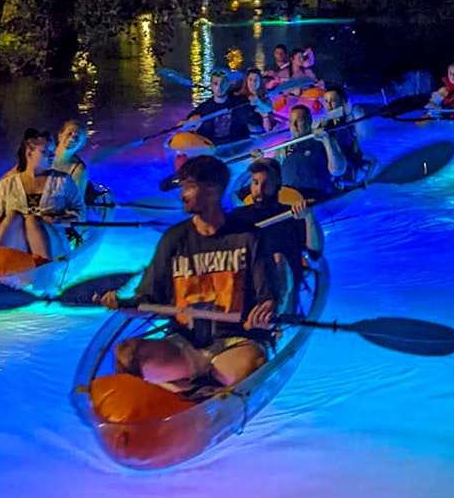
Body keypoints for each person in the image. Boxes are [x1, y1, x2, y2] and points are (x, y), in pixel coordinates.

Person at [98, 156, 280, 391]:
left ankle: (217, 409)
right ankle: (138, 408)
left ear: (214, 191)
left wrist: (266, 310)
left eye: (190, 187)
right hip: (183, 344)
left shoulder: (249, 237)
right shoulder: (173, 239)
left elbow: (267, 296)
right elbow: (150, 298)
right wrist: (125, 304)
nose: (182, 194)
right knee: (125, 353)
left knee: (253, 363)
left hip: (235, 343)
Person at [230, 158, 324, 312]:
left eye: (265, 183)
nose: (259, 190)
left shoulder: (292, 214)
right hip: (248, 276)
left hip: (280, 278)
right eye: (255, 183)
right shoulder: (238, 216)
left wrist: (309, 218)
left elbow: (314, 252)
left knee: (277, 259)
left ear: (278, 184)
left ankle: (273, 315)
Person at [0, 128, 84, 260]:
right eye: (45, 152)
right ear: (29, 154)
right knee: (14, 216)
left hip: (52, 245)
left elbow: (81, 214)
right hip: (17, 246)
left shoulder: (64, 181)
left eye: (52, 151)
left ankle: (43, 266)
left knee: (33, 220)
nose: (52, 156)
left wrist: (58, 219)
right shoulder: (7, 184)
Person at [262, 105, 345, 199]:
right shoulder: (285, 147)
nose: (294, 126)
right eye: (291, 121)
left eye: (299, 121)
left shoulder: (323, 140)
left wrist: (327, 141)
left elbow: (338, 170)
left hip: (316, 195)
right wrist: (259, 160)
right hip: (289, 198)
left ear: (309, 122)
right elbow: (272, 172)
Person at [185, 69, 255, 145]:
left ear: (228, 84)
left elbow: (261, 112)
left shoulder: (241, 102)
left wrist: (259, 103)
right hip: (213, 149)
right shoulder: (204, 108)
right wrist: (191, 122)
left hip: (238, 147)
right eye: (215, 83)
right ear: (211, 85)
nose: (219, 87)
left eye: (223, 83)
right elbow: (184, 125)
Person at [318, 85, 367, 181]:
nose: (329, 105)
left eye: (333, 101)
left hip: (345, 164)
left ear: (342, 102)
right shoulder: (326, 123)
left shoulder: (349, 123)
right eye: (326, 101)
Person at [54, 119, 92, 201]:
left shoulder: (78, 170)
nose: (71, 139)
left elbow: (77, 203)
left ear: (82, 144)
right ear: (60, 136)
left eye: (77, 137)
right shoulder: (41, 156)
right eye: (69, 133)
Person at [239, 68, 277, 133]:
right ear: (246, 81)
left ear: (260, 82)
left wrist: (258, 103)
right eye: (250, 79)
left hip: (258, 133)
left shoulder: (264, 99)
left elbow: (269, 109)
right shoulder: (240, 98)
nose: (253, 83)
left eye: (256, 80)